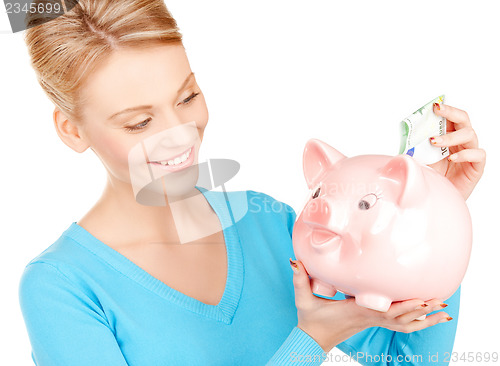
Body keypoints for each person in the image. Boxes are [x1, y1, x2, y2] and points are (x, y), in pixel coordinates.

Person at [18, 1, 486, 365]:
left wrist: (433, 217)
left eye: (187, 97)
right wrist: (312, 341)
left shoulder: (271, 226)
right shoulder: (63, 288)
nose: (177, 134)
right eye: (139, 123)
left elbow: (404, 358)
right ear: (71, 130)